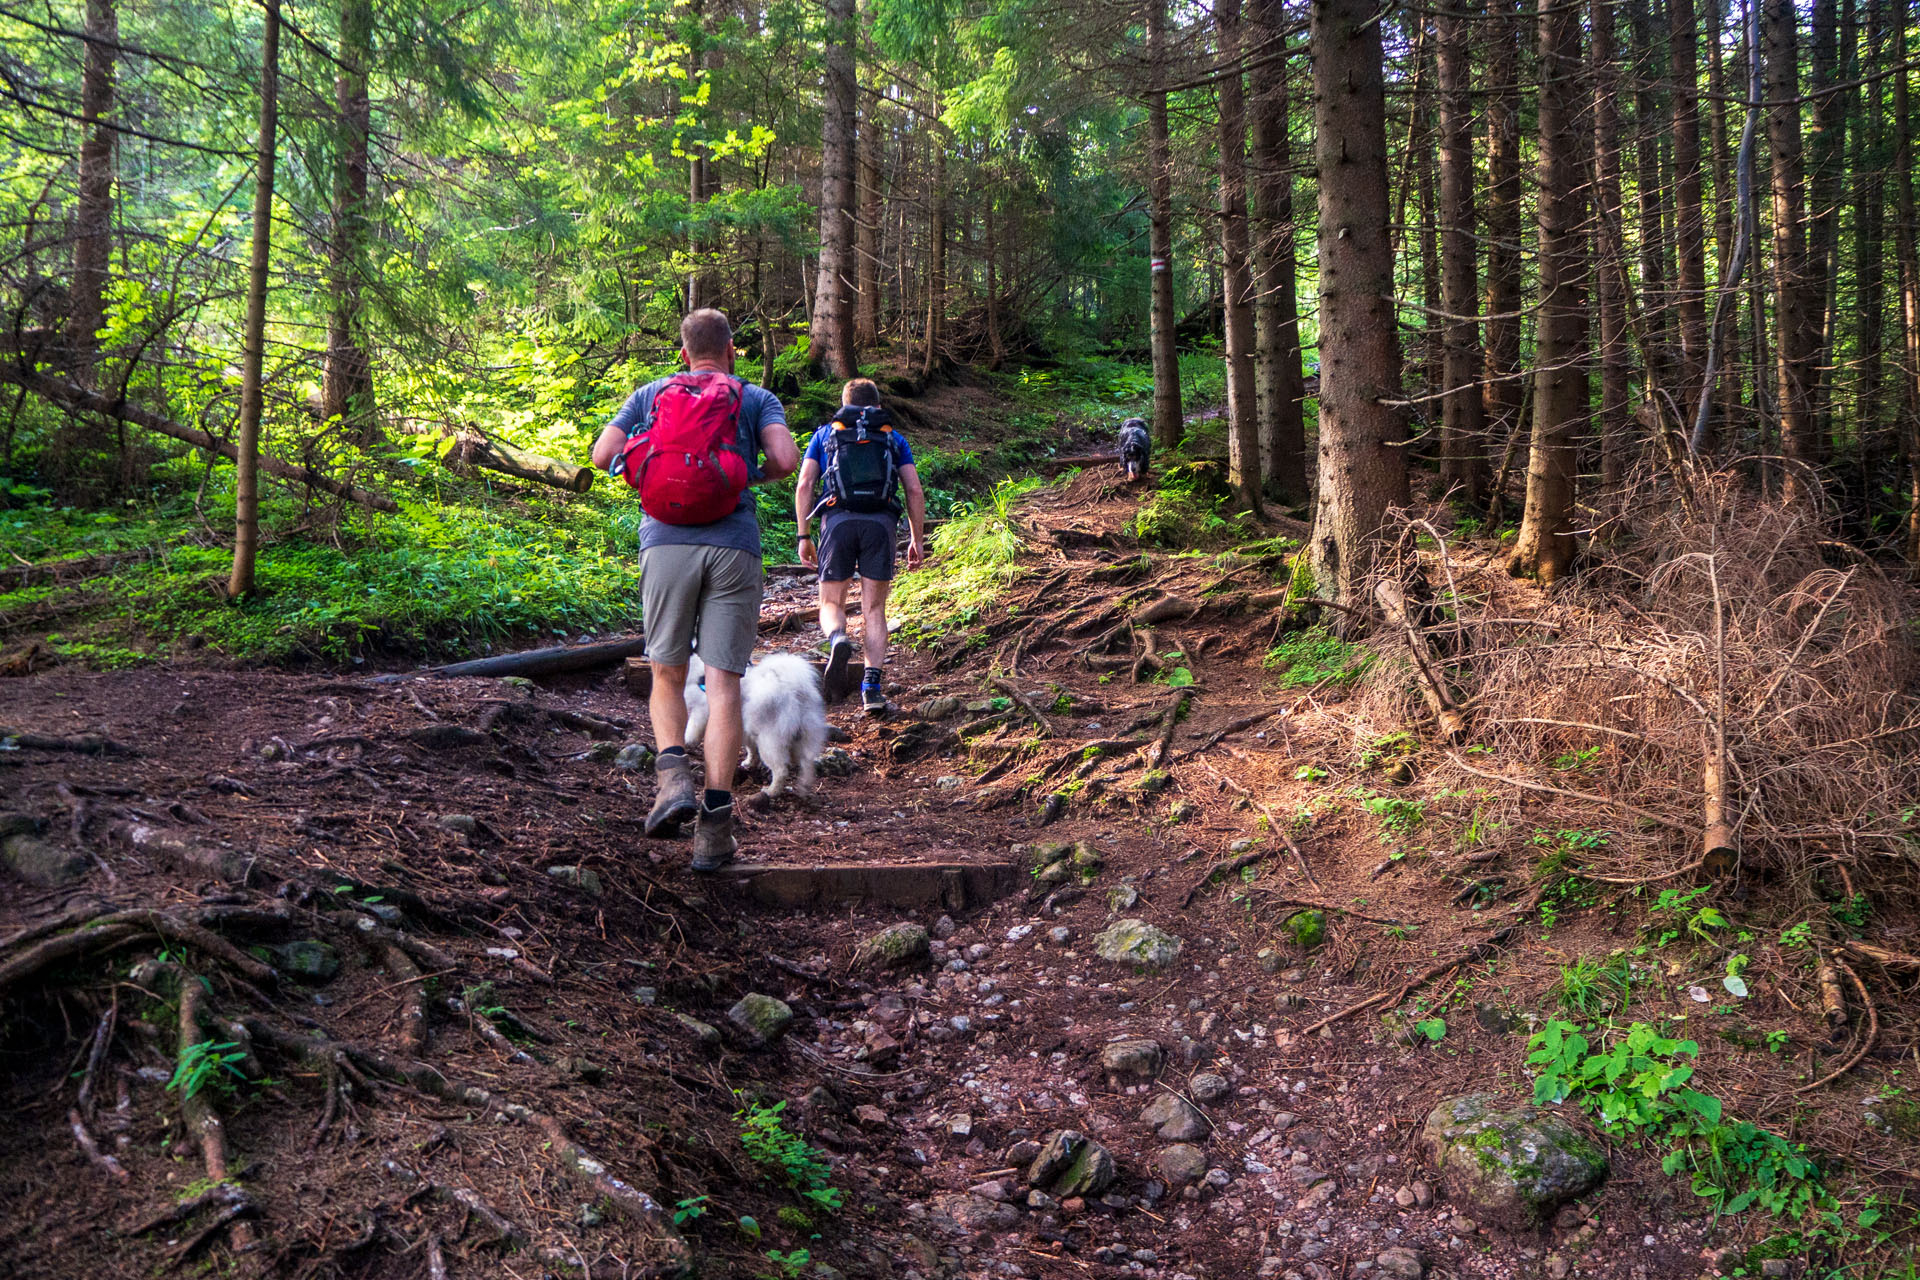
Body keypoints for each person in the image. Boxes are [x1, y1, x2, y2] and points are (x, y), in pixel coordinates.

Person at [590, 309, 799, 871]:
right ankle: (714, 826)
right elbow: (784, 460)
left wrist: (646, 469)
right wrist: (741, 474)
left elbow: (601, 455)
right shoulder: (755, 398)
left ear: (683, 354)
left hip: (665, 544)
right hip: (734, 544)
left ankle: (671, 776)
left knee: (666, 670)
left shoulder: (650, 393)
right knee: (726, 683)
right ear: (732, 350)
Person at [793, 378, 926, 713]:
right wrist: (916, 539)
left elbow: (805, 483)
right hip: (880, 525)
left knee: (831, 602)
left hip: (837, 522)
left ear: (845, 402)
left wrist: (804, 535)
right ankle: (871, 688)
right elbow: (913, 490)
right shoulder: (892, 438)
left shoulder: (825, 435)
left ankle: (837, 638)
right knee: (874, 610)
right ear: (878, 406)